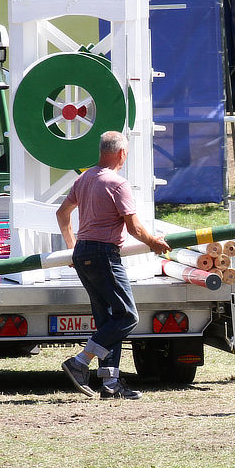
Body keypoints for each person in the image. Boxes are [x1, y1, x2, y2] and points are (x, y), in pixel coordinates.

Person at [56, 130, 170, 399]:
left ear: (101, 151)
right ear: (121, 153)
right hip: (104, 254)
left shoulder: (84, 178)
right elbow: (133, 227)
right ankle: (80, 362)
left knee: (109, 320)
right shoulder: (118, 184)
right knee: (128, 316)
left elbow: (62, 213)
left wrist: (73, 247)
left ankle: (110, 383)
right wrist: (154, 242)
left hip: (83, 253)